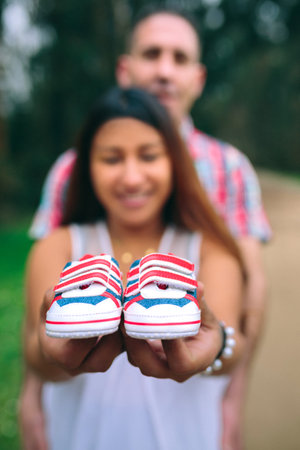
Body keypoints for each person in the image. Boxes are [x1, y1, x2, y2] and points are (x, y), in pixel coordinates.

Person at [20, 5, 271, 449]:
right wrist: (37, 379)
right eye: (112, 158)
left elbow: (249, 295)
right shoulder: (65, 187)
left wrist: (227, 378)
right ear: (125, 67)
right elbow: (38, 330)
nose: (132, 177)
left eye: (150, 156)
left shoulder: (228, 175)